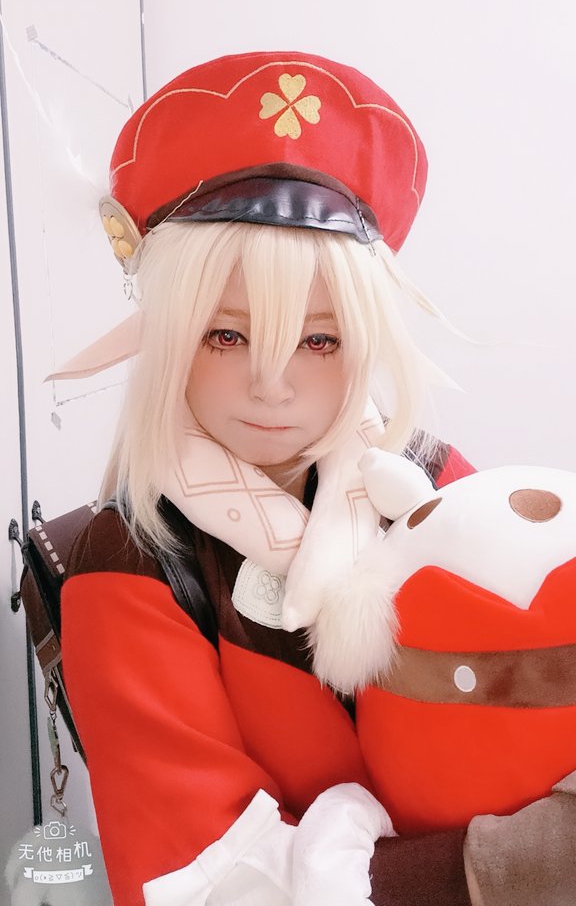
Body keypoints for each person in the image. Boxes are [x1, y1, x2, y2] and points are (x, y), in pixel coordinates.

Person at [60, 51, 576, 906]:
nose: (273, 384)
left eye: (320, 340)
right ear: (168, 335)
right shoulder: (132, 564)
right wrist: (501, 868)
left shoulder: (428, 478)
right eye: (227, 336)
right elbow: (198, 879)